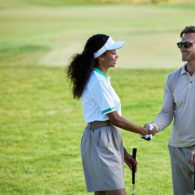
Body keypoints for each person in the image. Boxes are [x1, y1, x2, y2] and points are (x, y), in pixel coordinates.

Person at [67, 34, 157, 195]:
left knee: (102, 193)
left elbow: (109, 125)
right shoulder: (97, 81)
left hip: (103, 138)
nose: (117, 55)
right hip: (100, 140)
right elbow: (115, 119)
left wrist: (124, 154)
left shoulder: (100, 78)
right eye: (113, 52)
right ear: (101, 56)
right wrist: (144, 131)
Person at [148, 26, 195, 195]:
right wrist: (153, 127)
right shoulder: (173, 78)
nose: (182, 48)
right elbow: (167, 113)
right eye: (180, 44)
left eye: (187, 44)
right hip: (177, 149)